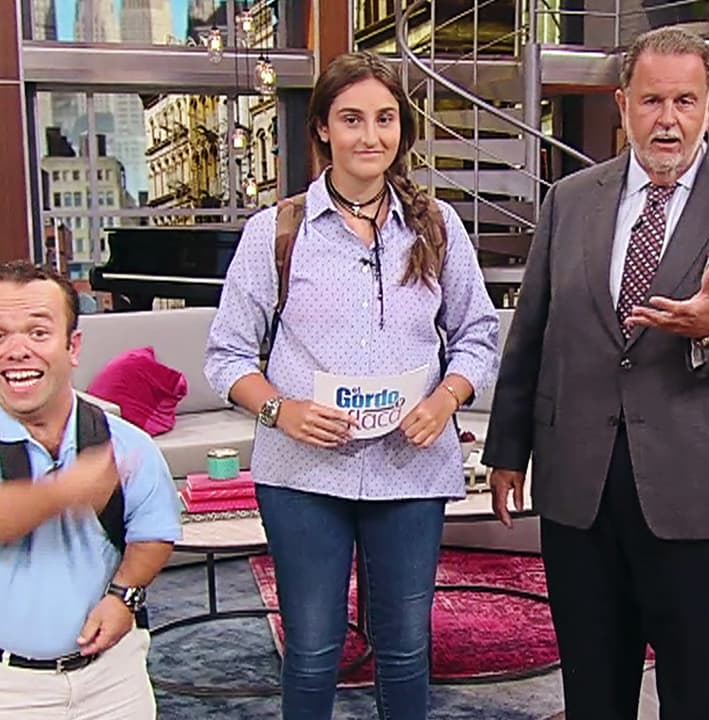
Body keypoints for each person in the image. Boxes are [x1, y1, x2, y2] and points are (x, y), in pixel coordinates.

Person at [482, 27, 709, 720]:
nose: (668, 120)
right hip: (582, 488)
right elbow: (534, 331)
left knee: (695, 691)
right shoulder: (571, 199)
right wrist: (508, 449)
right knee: (593, 689)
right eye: (652, 101)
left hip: (708, 489)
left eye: (685, 101)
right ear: (623, 104)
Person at [205, 50, 499, 720]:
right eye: (352, 119)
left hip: (411, 469)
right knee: (313, 650)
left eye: (385, 119)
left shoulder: (438, 227)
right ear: (322, 129)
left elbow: (479, 335)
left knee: (406, 649)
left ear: (402, 129)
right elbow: (226, 356)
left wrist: (446, 399)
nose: (371, 135)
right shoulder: (276, 232)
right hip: (303, 474)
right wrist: (280, 411)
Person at [0, 261, 181, 719]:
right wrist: (67, 489)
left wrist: (124, 594)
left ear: (73, 346)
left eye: (38, 333)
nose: (16, 351)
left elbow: (154, 531)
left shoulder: (128, 443)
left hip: (113, 678)